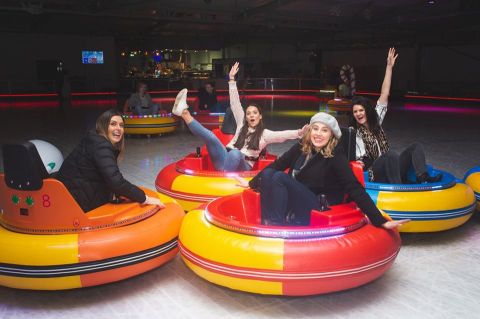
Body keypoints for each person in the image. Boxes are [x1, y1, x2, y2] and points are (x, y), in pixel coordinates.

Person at [237, 112, 409, 229]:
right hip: (297, 199)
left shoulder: (335, 155)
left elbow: (354, 186)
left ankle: (276, 228)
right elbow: (277, 164)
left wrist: (378, 220)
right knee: (269, 174)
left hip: (316, 204)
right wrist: (251, 182)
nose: (318, 134)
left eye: (324, 130)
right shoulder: (302, 146)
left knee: (280, 178)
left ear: (331, 135)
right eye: (316, 129)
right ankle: (270, 224)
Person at [172, 62, 308, 172]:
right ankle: (184, 113)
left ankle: (224, 177)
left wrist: (299, 133)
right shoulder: (242, 124)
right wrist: (231, 79)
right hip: (224, 157)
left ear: (260, 116)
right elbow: (235, 102)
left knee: (236, 154)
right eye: (248, 113)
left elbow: (282, 135)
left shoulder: (264, 134)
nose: (251, 115)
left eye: (254, 113)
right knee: (211, 137)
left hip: (243, 166)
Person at [350, 48, 442, 184]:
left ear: (367, 111)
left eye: (361, 110)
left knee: (415, 147)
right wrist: (358, 161)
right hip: (375, 172)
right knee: (390, 155)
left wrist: (389, 67)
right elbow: (356, 157)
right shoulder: (355, 133)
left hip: (392, 166)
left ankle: (422, 177)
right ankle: (398, 187)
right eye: (355, 111)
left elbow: (385, 93)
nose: (358, 114)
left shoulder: (376, 120)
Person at [57, 109, 163, 212]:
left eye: (121, 125)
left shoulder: (95, 140)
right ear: (103, 126)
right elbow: (116, 182)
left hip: (71, 193)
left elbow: (108, 176)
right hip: (77, 201)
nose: (118, 128)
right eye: (113, 124)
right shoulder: (101, 146)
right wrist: (145, 199)